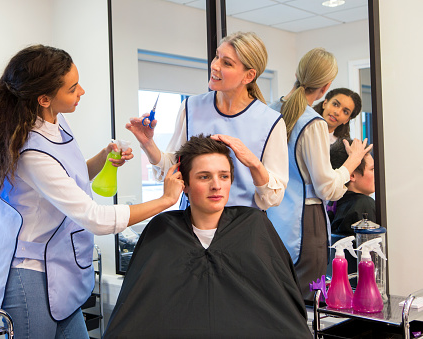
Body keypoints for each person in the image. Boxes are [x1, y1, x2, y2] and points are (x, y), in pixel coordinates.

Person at [0, 45, 184, 339]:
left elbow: (68, 181)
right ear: (44, 98)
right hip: (29, 274)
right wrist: (166, 200)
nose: (82, 91)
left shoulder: (57, 122)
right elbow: (95, 219)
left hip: (60, 270)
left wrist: (104, 157)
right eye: (73, 88)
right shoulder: (31, 152)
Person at [104, 135, 312, 339]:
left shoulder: (254, 226)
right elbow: (136, 314)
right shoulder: (163, 229)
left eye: (224, 176)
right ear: (182, 183)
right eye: (204, 177)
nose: (216, 186)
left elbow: (284, 309)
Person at [127, 31, 288, 211]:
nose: (215, 66)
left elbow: (274, 197)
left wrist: (253, 163)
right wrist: (148, 143)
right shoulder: (190, 107)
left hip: (243, 224)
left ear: (248, 76)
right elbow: (173, 168)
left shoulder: (270, 122)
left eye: (227, 63)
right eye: (216, 57)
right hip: (193, 220)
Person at [266, 48, 372, 301]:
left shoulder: (268, 110)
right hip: (304, 223)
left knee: (276, 298)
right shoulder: (313, 124)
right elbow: (326, 188)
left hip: (269, 219)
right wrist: (353, 161)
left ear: (297, 73)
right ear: (325, 89)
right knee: (304, 302)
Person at [329, 138, 376, 236]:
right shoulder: (364, 204)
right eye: (372, 169)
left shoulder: (332, 202)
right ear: (352, 175)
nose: (376, 174)